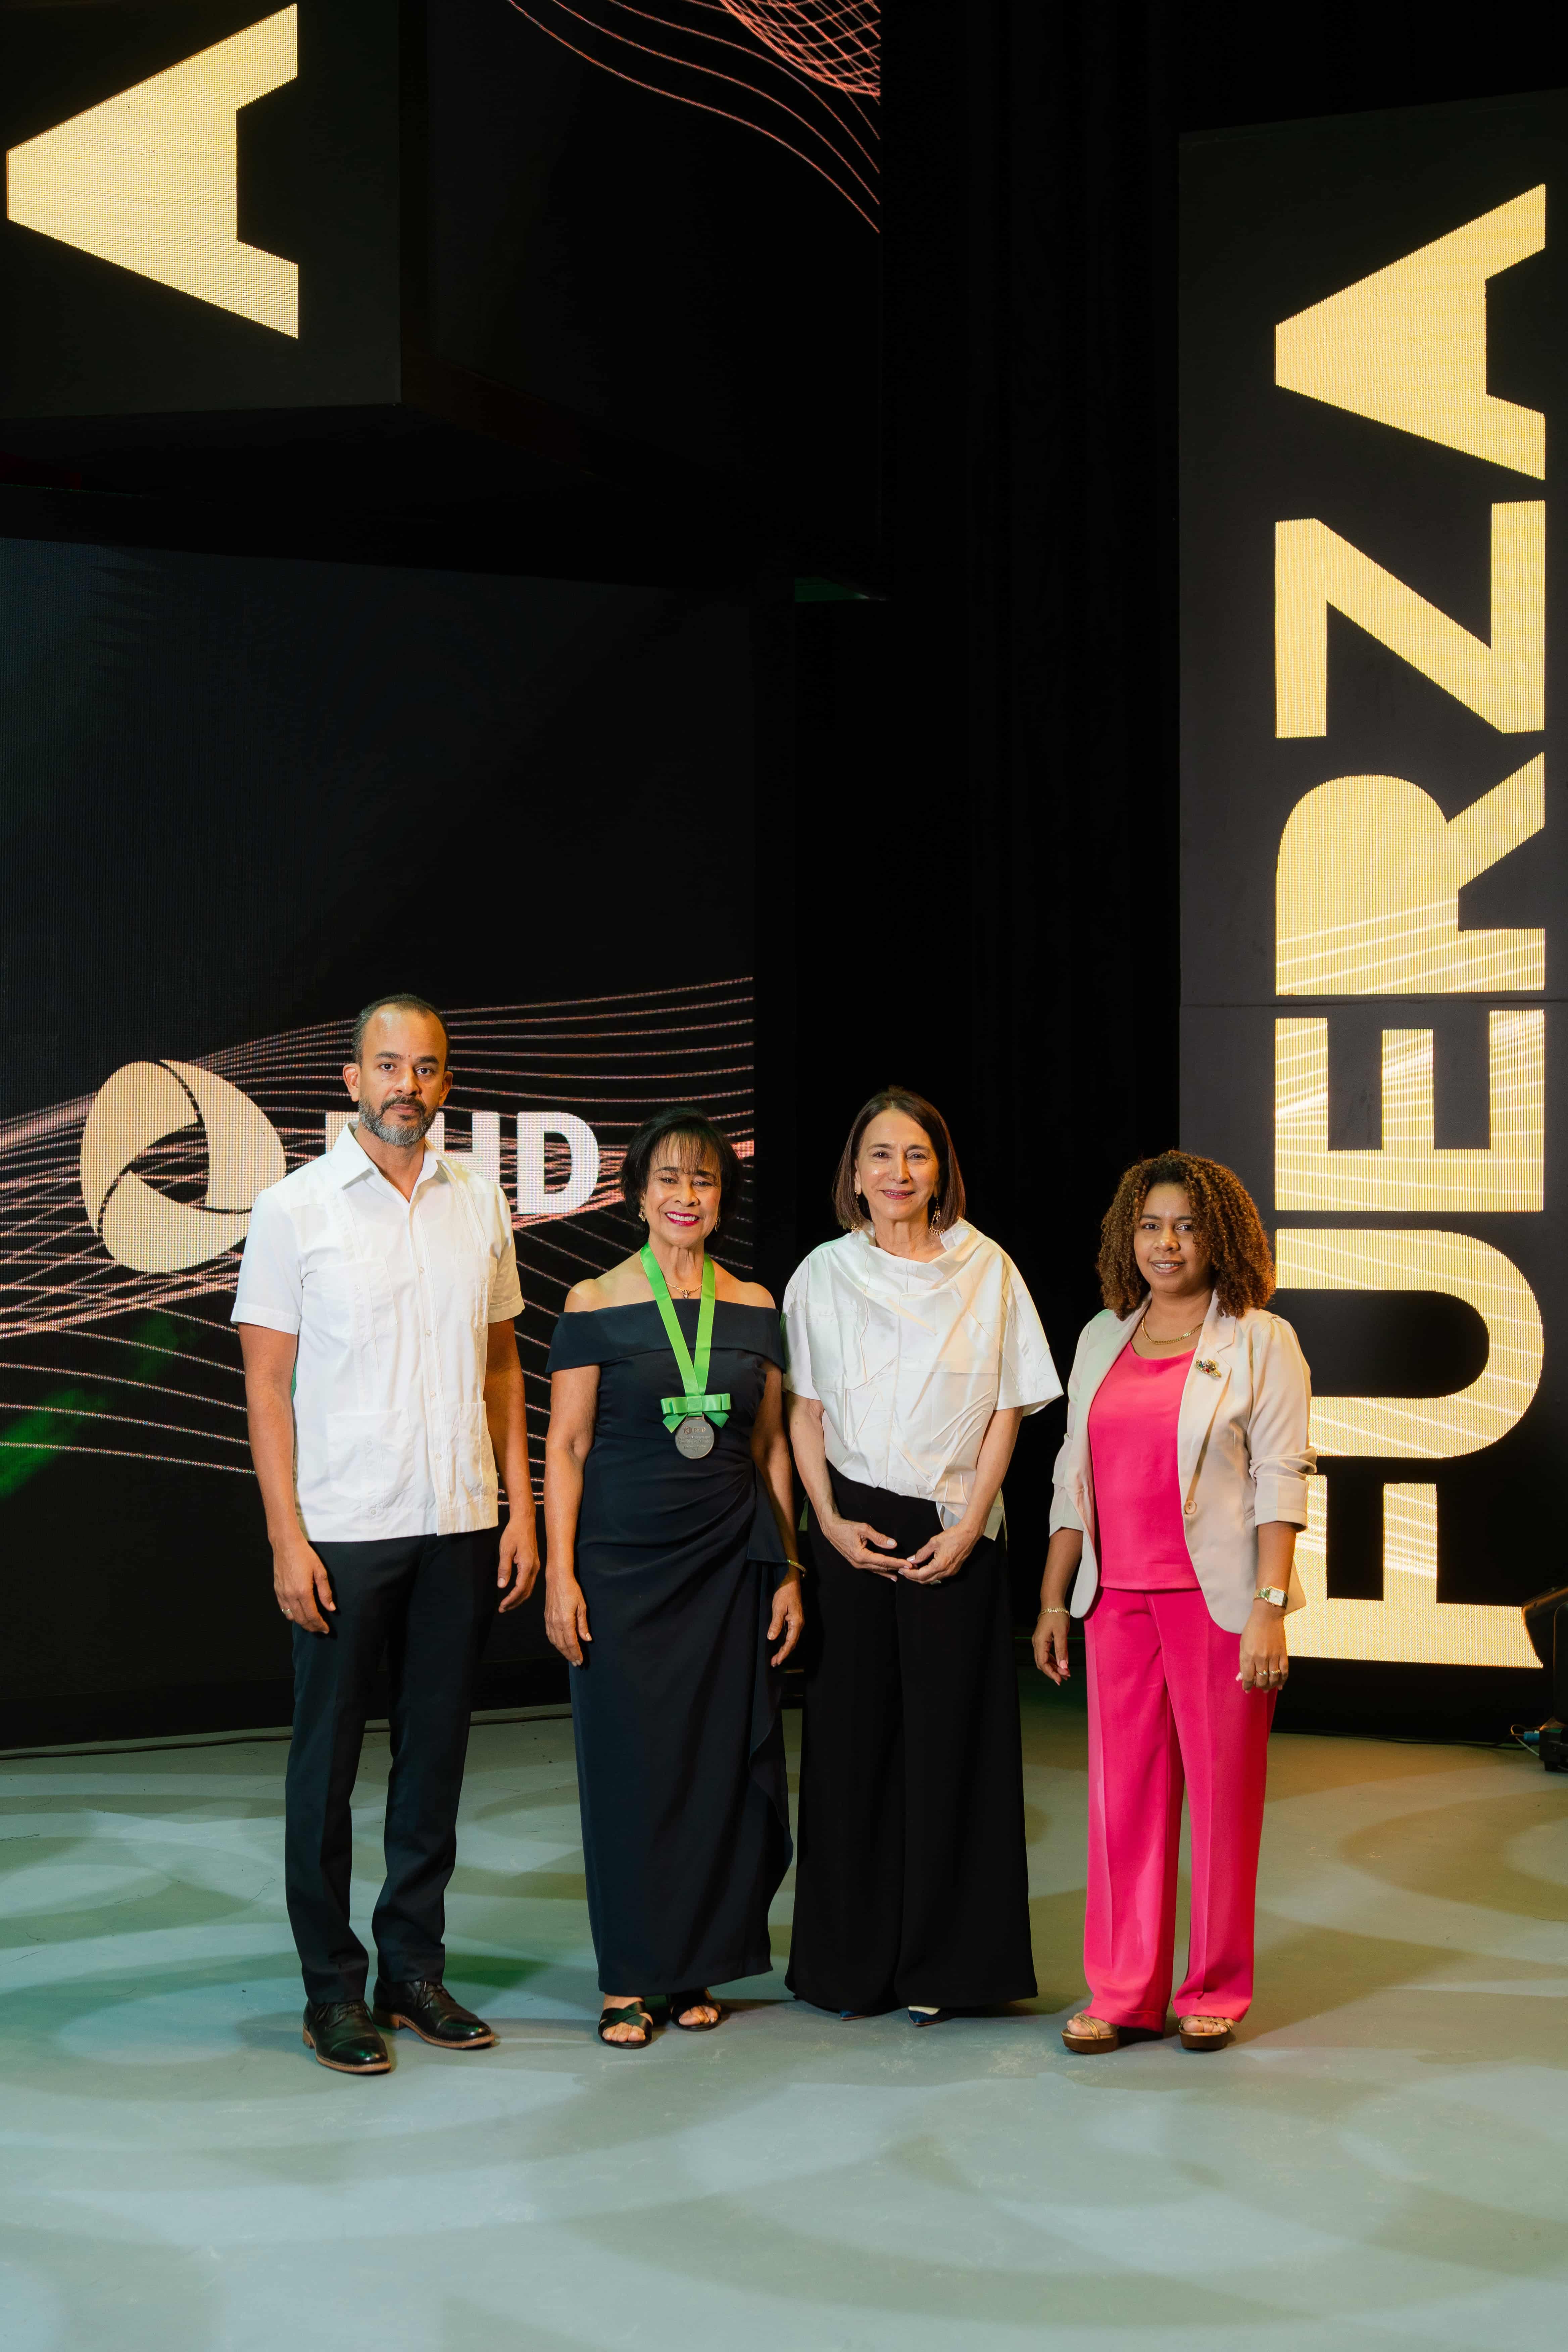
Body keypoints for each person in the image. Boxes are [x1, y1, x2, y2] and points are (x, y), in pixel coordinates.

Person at [235, 994, 537, 2075]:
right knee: (324, 1769)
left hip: (458, 1518)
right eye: (388, 1065)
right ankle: (332, 1990)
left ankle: (413, 1970)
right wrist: (287, 1537)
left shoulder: (478, 1200)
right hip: (344, 1527)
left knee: (435, 1763)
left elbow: (503, 1366)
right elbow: (267, 1390)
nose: (408, 1084)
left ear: (446, 1084)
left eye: (428, 1068)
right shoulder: (294, 1209)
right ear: (353, 1079)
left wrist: (520, 1509)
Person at [782, 1085, 1060, 2024]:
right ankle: (850, 1967)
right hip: (852, 1522)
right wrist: (825, 1520)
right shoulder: (821, 1273)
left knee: (956, 1752)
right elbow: (804, 1412)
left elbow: (1009, 1408)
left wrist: (974, 1522)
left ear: (941, 1169)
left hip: (959, 1524)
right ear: (853, 1176)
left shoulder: (990, 1268)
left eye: (917, 1155)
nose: (898, 1174)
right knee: (851, 1749)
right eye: (880, 1157)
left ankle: (951, 1971)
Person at [1033, 1149, 1313, 2055]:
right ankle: (1123, 1992)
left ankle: (1215, 1989)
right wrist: (1051, 1598)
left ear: (1218, 1237)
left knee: (1224, 1803)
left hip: (1219, 1604)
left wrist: (1270, 1604)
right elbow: (1073, 1475)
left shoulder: (1261, 1340)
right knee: (1124, 1805)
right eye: (1151, 1225)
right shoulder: (1100, 1338)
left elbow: (1282, 1477)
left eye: (1187, 1226)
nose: (1167, 1242)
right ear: (1129, 1236)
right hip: (1115, 1601)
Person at [542, 1108, 803, 2048]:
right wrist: (559, 1576)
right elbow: (565, 1449)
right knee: (629, 1770)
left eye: (703, 1181)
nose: (685, 1197)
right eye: (668, 1180)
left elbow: (770, 1448)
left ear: (720, 1196)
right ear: (638, 1193)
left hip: (730, 1563)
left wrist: (788, 1569)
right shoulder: (593, 1303)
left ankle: (694, 1967)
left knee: (714, 1774)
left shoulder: (756, 1304)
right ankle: (627, 1978)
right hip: (621, 1572)